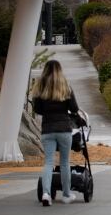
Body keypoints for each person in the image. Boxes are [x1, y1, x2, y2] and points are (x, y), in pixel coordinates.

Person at [32, 60, 79, 206]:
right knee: (65, 163)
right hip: (64, 129)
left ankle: (46, 194)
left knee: (48, 162)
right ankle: (66, 195)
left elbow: (37, 109)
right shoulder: (66, 86)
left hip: (48, 129)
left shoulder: (40, 86)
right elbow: (75, 108)